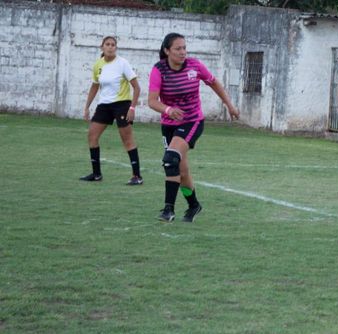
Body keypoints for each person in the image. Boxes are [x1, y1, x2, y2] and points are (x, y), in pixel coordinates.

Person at [148, 33, 239, 222]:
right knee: (180, 169)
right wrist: (168, 109)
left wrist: (229, 105)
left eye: (184, 48)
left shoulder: (194, 65)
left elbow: (214, 83)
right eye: (178, 49)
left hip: (192, 121)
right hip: (169, 125)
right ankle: (194, 205)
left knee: (170, 159)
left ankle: (168, 210)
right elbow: (151, 101)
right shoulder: (159, 70)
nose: (183, 52)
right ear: (167, 51)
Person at [81, 36, 142, 185]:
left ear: (116, 47)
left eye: (113, 45)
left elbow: (136, 87)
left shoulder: (122, 63)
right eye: (107, 44)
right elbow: (95, 86)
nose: (110, 47)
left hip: (122, 104)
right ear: (102, 47)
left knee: (127, 140)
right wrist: (87, 107)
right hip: (104, 105)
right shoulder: (98, 65)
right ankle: (96, 174)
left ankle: (137, 176)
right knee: (92, 136)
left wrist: (132, 108)